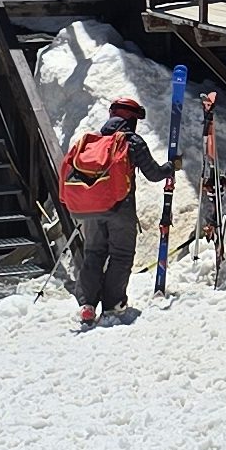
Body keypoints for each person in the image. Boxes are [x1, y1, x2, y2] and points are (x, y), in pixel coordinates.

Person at [57, 95, 170, 327]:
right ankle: (113, 303)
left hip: (91, 209)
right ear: (132, 119)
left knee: (94, 253)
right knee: (120, 255)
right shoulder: (132, 141)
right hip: (120, 208)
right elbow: (154, 174)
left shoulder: (93, 142)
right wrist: (171, 167)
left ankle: (87, 304)